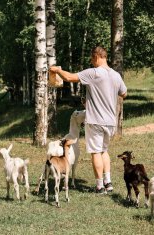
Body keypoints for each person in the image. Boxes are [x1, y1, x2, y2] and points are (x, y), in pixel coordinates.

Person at [50, 46, 127, 194]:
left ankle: (99, 186)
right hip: (110, 121)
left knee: (96, 152)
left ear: (97, 57)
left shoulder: (94, 73)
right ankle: (108, 182)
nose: (91, 63)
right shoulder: (116, 75)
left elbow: (69, 77)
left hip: (95, 120)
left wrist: (57, 70)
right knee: (104, 150)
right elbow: (124, 93)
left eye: (92, 60)